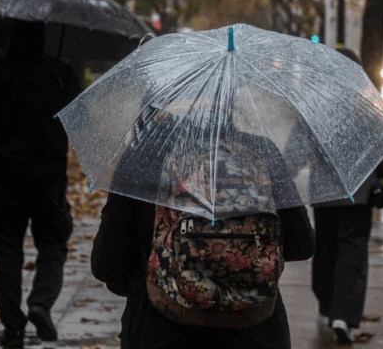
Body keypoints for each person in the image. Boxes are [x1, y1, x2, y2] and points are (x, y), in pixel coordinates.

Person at [90, 103, 316, 349]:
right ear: (228, 102)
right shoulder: (263, 151)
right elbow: (301, 245)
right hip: (257, 329)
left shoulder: (143, 156)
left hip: (161, 329)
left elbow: (107, 265)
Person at [0, 22, 82, 348]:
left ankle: (13, 327)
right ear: (42, 37)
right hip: (47, 179)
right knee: (53, 244)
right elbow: (79, 118)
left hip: (2, 178)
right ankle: (41, 302)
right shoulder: (59, 73)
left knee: (6, 251)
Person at [308, 47, 383, 345]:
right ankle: (343, 315)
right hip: (359, 195)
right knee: (352, 253)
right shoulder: (371, 108)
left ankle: (326, 300)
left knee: (326, 248)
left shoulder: (316, 108)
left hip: (324, 195)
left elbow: (299, 148)